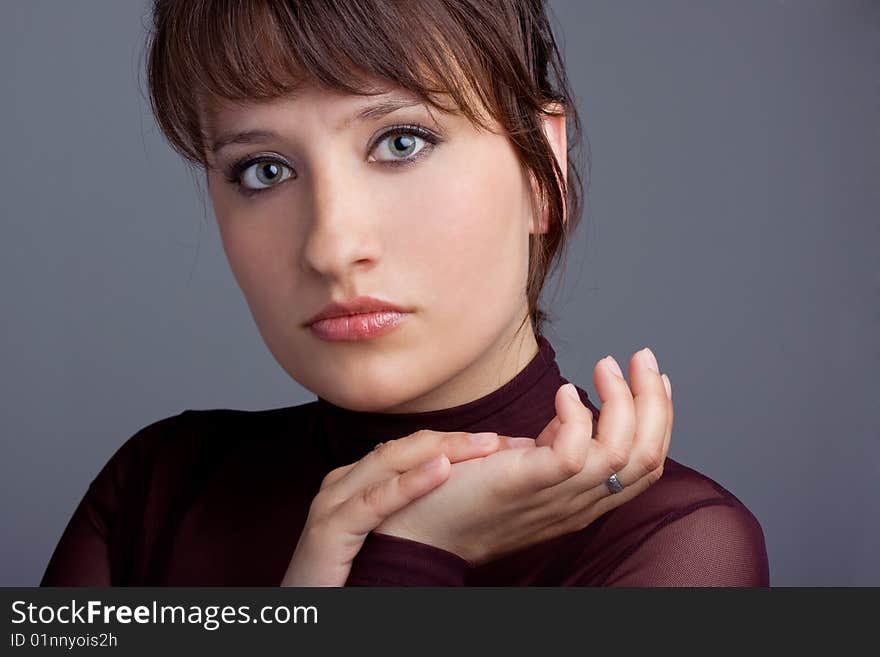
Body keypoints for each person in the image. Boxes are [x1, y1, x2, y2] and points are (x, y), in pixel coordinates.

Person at [40, 0, 769, 586]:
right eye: (264, 169)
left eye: (401, 142)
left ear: (540, 169)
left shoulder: (677, 547)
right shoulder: (156, 489)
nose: (330, 246)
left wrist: (406, 551)